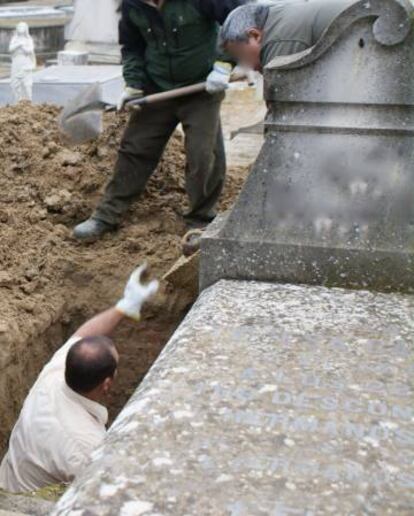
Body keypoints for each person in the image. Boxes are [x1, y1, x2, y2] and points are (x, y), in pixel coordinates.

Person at [73, 0, 252, 241]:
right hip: (156, 86)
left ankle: (200, 219)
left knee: (202, 153)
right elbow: (132, 46)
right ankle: (106, 216)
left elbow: (239, 18)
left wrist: (223, 65)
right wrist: (134, 83)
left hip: (202, 86)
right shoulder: (132, 5)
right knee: (134, 149)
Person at [0, 264, 158, 493]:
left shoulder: (52, 377)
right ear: (107, 384)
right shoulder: (88, 447)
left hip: (7, 483)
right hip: (28, 505)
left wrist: (125, 306)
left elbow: (83, 335)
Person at [217, 0, 355, 71]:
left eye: (241, 54)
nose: (245, 64)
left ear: (255, 35)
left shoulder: (279, 39)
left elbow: (283, 100)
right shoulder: (277, 17)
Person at [9, 22, 36, 103]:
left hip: (25, 62)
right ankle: (17, 101)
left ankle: (29, 100)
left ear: (26, 29)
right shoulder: (15, 38)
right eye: (19, 26)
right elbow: (10, 49)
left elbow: (30, 51)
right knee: (15, 84)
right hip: (16, 63)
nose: (21, 28)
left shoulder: (28, 39)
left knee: (27, 84)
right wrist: (19, 44)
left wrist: (22, 46)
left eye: (23, 27)